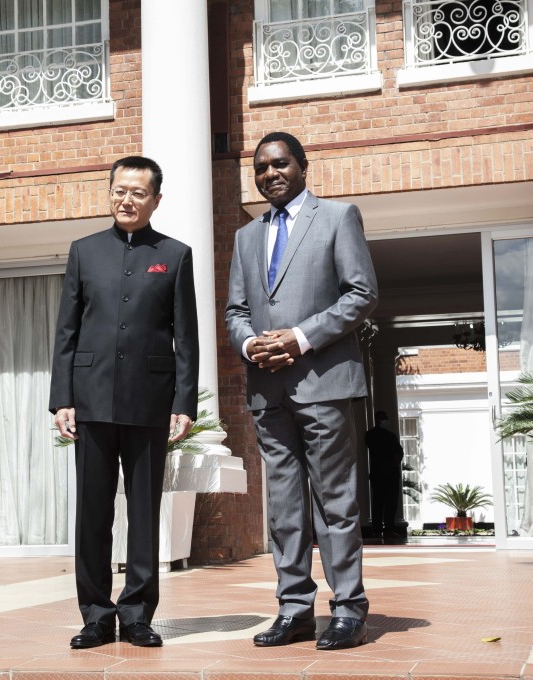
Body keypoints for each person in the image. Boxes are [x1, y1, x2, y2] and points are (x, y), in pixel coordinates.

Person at [225, 131, 378, 650]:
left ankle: (348, 609)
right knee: (284, 506)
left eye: (281, 164)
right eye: (262, 168)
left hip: (325, 384)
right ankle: (294, 608)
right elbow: (236, 312)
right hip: (268, 390)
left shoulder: (338, 218)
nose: (271, 174)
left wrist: (301, 337)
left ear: (303, 166)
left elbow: (362, 293)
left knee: (335, 501)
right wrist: (251, 347)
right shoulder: (247, 237)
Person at [49, 155, 199, 649]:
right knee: (92, 513)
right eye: (118, 190)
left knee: (144, 513)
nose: (126, 200)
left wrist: (183, 402)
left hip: (150, 403)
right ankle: (95, 614)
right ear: (109, 193)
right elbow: (67, 332)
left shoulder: (174, 255)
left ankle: (137, 614)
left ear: (156, 199)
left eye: (137, 192)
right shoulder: (83, 251)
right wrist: (62, 399)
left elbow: (186, 337)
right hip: (89, 402)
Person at [365, 410, 405, 538]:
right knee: (378, 502)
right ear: (378, 420)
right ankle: (377, 528)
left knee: (391, 503)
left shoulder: (391, 436)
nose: (387, 420)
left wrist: (396, 459)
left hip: (392, 474)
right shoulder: (370, 435)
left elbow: (399, 451)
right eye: (384, 418)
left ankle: (389, 528)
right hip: (379, 474)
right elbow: (377, 450)